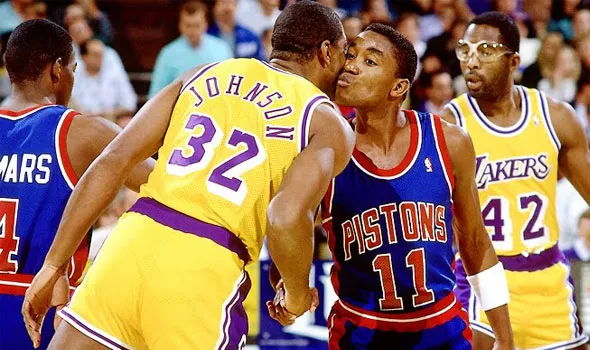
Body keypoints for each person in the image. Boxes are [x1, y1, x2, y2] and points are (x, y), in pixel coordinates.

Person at [22, 2, 355, 349]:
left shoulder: (201, 73)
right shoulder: (326, 121)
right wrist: (298, 295)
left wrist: (52, 266)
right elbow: (285, 217)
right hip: (202, 268)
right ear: (326, 51)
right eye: (345, 52)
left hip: (130, 246)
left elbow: (113, 160)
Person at [268, 23, 514, 349]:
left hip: (442, 332)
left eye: (370, 61)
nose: (351, 65)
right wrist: (286, 288)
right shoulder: (323, 151)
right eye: (351, 55)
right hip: (361, 335)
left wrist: (507, 340)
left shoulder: (449, 141)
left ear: (398, 88)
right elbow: (287, 241)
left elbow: (475, 241)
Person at [0, 19, 153, 350]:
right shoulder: (81, 131)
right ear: (56, 71)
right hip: (44, 310)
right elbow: (162, 182)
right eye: (72, 68)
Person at [442, 11, 590, 350]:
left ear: (514, 61)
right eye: (466, 50)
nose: (472, 62)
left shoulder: (556, 117)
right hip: (483, 281)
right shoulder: (450, 125)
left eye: (486, 51)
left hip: (548, 277)